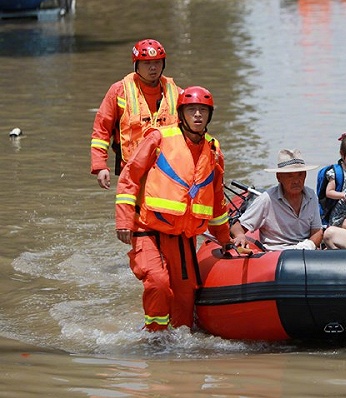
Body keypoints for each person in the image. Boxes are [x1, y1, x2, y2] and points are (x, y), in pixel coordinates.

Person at [115, 86, 231, 332]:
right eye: (192, 110)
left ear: (209, 116)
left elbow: (217, 198)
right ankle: (154, 340)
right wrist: (124, 221)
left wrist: (226, 240)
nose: (197, 115)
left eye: (202, 110)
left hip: (182, 236)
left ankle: (180, 350)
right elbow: (130, 175)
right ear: (182, 113)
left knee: (184, 299)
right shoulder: (159, 138)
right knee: (157, 283)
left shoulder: (213, 149)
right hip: (147, 229)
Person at [91, 38, 180, 190]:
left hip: (168, 170)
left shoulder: (175, 92)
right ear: (136, 65)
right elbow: (101, 131)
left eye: (157, 62)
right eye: (146, 63)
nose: (153, 68)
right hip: (132, 169)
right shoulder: (119, 91)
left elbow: (191, 130)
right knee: (130, 212)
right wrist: (100, 166)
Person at [230, 149, 324, 251]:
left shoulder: (311, 196)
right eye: (290, 175)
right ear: (279, 177)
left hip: (306, 253)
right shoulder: (267, 199)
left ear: (305, 175)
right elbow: (237, 226)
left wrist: (308, 245)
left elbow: (317, 231)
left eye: (300, 174)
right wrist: (240, 236)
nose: (296, 181)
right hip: (277, 256)